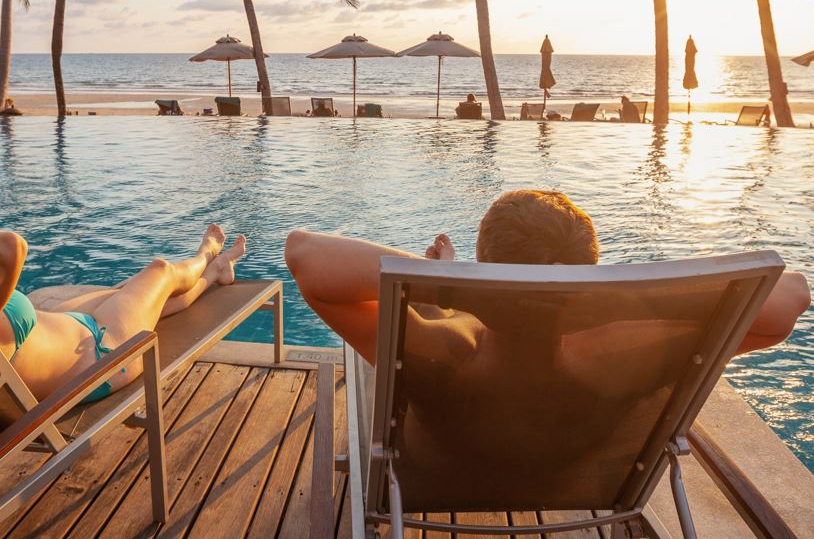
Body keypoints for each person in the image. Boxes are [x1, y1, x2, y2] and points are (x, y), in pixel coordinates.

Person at [285, 189, 811, 366]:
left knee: (439, 317)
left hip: (443, 472)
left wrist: (460, 283)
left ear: (484, 266)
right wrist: (606, 298)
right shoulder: (630, 352)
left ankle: (451, 294)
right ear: (593, 268)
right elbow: (790, 296)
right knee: (450, 317)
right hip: (587, 484)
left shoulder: (442, 354)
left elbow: (306, 254)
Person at [0, 224, 246, 402]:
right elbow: (12, 245)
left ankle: (217, 270)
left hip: (62, 326)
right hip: (101, 355)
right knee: (161, 272)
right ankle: (207, 256)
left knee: (132, 292)